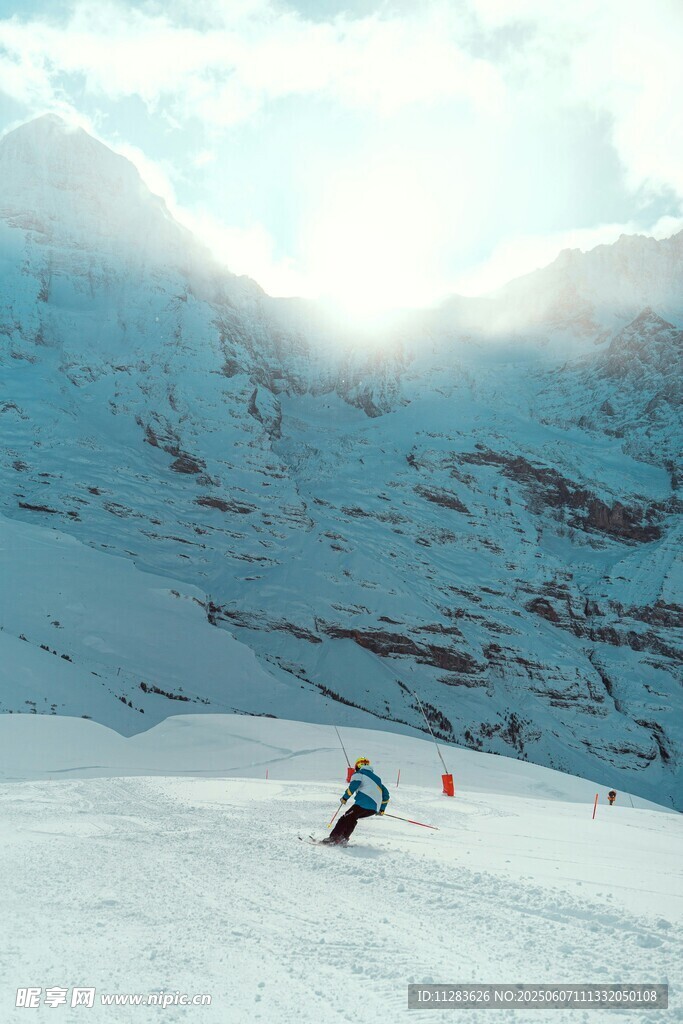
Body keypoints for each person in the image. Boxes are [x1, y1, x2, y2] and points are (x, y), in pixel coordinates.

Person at [322, 756, 390, 845]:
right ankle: (343, 839)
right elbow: (386, 795)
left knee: (345, 818)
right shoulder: (378, 779)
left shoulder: (359, 774)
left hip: (362, 805)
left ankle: (334, 838)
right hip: (373, 809)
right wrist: (382, 809)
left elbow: (353, 786)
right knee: (352, 818)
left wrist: (345, 798)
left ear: (357, 766)